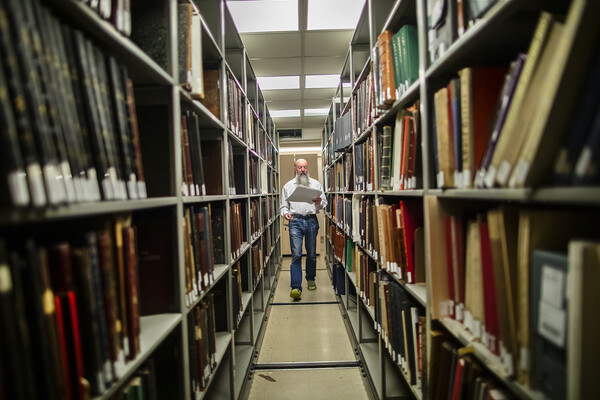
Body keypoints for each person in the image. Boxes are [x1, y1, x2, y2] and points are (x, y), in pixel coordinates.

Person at [280, 158, 327, 300]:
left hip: (311, 220)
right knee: (296, 254)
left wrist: (319, 202)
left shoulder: (316, 184)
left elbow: (324, 203)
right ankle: (295, 287)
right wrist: (285, 213)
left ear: (307, 168)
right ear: (295, 168)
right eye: (300, 167)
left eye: (305, 167)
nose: (302, 170)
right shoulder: (288, 186)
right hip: (295, 221)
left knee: (312, 254)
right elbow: (283, 206)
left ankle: (310, 278)